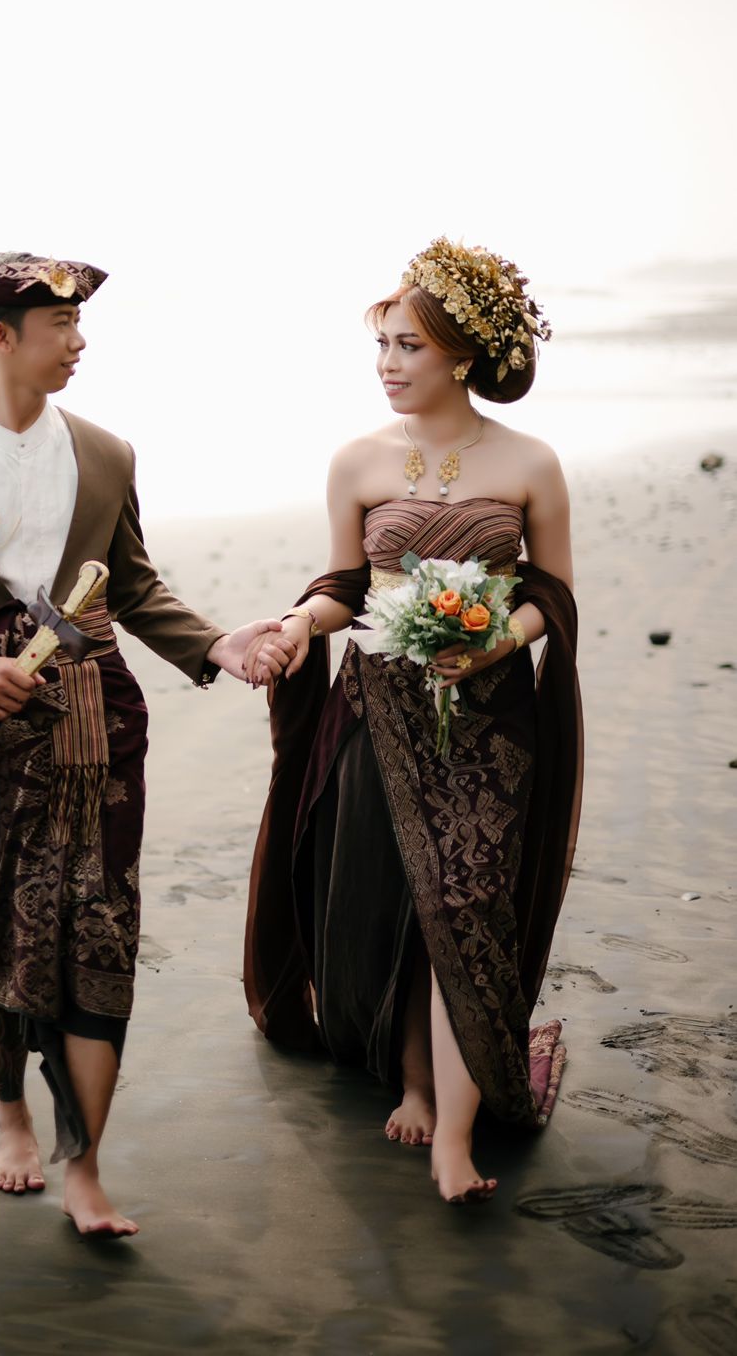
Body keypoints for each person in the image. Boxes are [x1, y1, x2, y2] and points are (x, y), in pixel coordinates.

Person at [0, 251, 292, 1237]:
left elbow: (133, 586)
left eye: (79, 322)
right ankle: (15, 1119)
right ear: (1, 335)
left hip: (104, 720)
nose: (79, 340)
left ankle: (87, 1164)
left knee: (102, 931)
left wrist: (216, 644)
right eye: (60, 324)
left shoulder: (106, 455)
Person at [242, 238, 582, 1205]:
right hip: (378, 710)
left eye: (407, 347)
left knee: (466, 902)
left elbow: (552, 594)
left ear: (461, 356)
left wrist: (493, 642)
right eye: (381, 346)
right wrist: (298, 624)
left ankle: (456, 1137)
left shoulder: (530, 462)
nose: (387, 365)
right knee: (396, 897)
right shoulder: (357, 461)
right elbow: (345, 587)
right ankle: (419, 1083)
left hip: (491, 717)